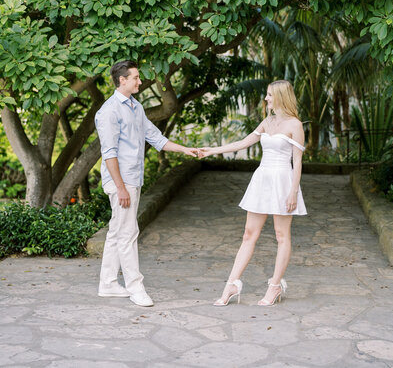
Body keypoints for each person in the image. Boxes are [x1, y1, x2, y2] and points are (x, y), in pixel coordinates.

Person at [95, 60, 198, 307]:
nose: (140, 82)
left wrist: (187, 150)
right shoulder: (108, 112)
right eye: (136, 78)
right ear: (123, 80)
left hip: (132, 178)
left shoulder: (135, 107)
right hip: (121, 181)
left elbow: (156, 138)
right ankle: (135, 287)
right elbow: (109, 153)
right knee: (128, 233)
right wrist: (120, 187)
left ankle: (108, 284)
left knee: (117, 231)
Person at [199, 80, 306, 306]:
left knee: (281, 235)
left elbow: (297, 161)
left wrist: (293, 192)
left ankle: (275, 286)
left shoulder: (295, 125)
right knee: (249, 233)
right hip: (262, 179)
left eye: (269, 95)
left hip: (283, 181)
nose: (266, 99)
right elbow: (242, 143)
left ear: (280, 96)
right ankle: (231, 284)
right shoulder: (267, 121)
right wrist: (211, 151)